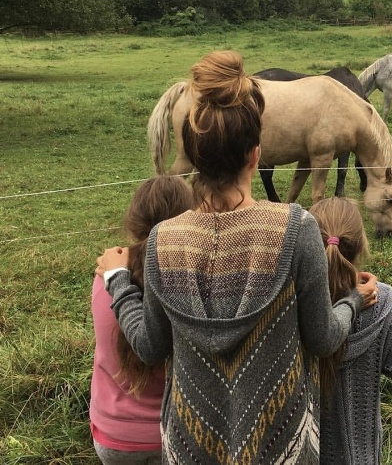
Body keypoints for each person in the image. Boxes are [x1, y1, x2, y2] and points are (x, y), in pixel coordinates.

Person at [96, 49, 377, 465]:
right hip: (281, 445)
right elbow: (322, 339)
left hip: (191, 447)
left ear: (195, 156)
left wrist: (119, 282)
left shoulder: (162, 241)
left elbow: (150, 347)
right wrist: (353, 302)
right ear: (255, 154)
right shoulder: (296, 230)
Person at [90, 175, 194, 465]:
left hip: (113, 435)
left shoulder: (103, 279)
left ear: (133, 221)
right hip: (174, 433)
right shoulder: (190, 285)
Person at [309, 197, 392, 465]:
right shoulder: (384, 299)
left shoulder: (295, 303)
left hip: (306, 451)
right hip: (361, 452)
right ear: (361, 245)